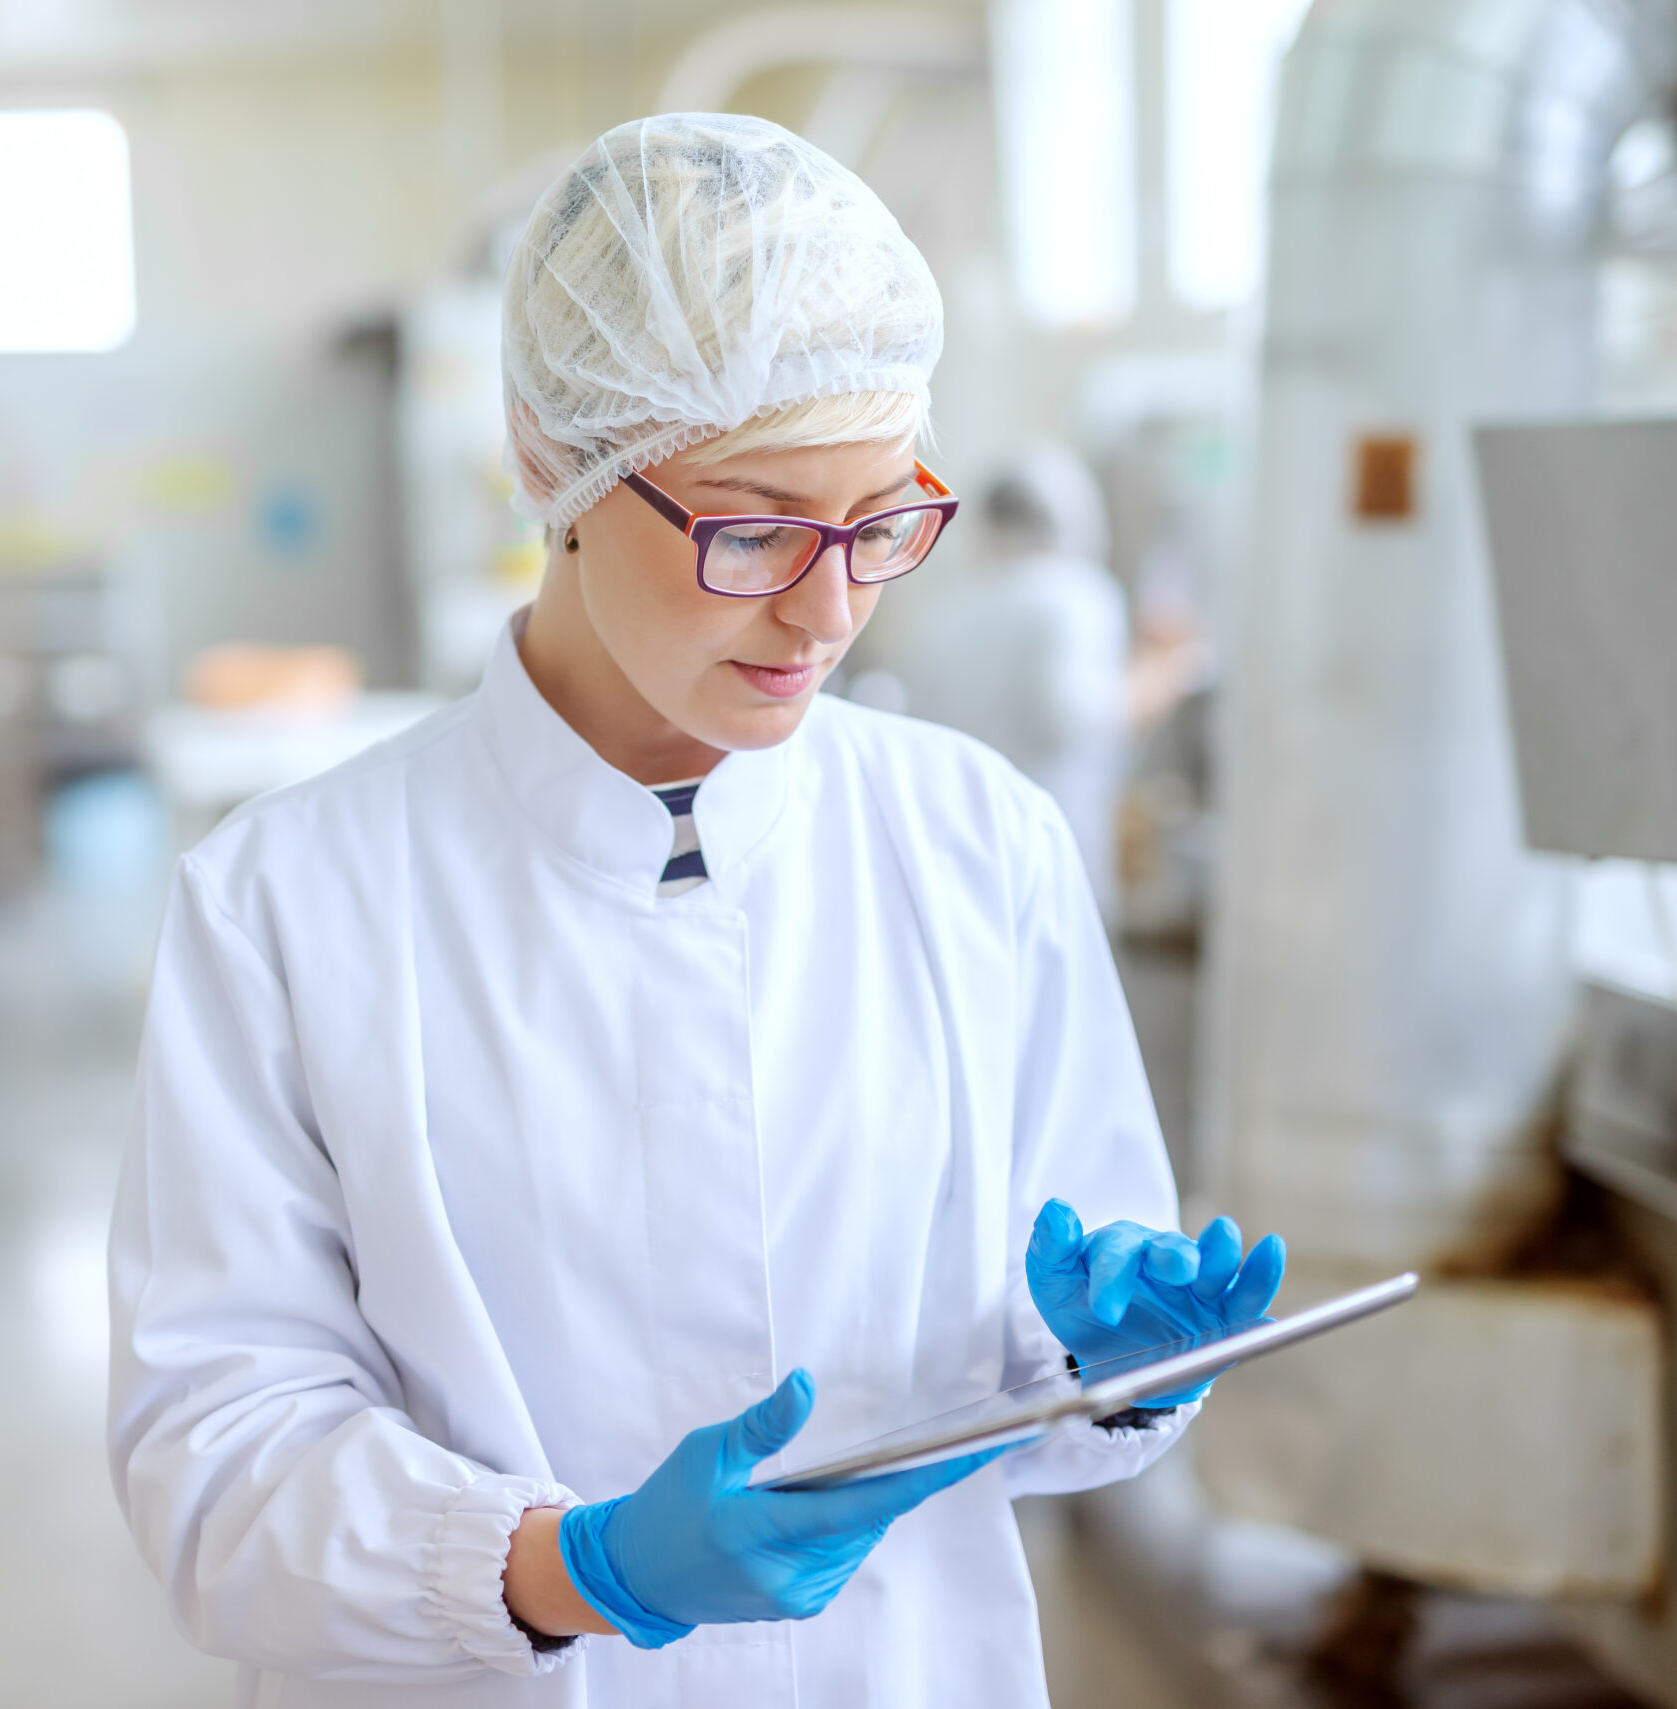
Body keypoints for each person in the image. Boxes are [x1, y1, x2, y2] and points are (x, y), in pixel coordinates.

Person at [108, 114, 1284, 1707]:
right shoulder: (289, 905)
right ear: (553, 464)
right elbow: (219, 1463)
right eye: (753, 530)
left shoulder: (974, 840)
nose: (829, 605)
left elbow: (1034, 1396)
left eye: (881, 520)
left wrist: (1114, 1371)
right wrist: (568, 1567)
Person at [893, 442, 1133, 924]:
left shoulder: (947, 610)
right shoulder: (1075, 597)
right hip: (1055, 852)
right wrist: (1167, 671)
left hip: (952, 856)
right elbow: (1080, 719)